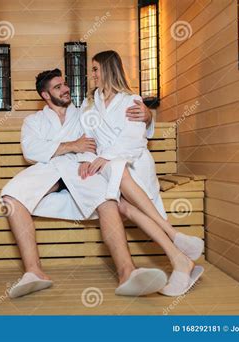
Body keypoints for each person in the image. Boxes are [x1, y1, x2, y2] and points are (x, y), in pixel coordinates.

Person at [1, 69, 167, 298]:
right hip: (48, 169)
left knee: (107, 199)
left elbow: (115, 125)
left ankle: (127, 272)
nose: (65, 88)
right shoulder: (33, 121)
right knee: (11, 196)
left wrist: (147, 117)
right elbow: (31, 150)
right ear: (45, 95)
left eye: (65, 84)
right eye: (58, 87)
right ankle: (34, 272)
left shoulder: (85, 113)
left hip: (81, 167)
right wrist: (72, 145)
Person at [77, 50, 204, 296]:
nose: (91, 74)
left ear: (108, 69)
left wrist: (107, 157)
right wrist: (87, 158)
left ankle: (179, 257)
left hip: (133, 161)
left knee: (120, 177)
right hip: (109, 166)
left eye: (95, 69)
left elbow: (134, 137)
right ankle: (177, 249)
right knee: (124, 207)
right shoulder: (90, 103)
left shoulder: (130, 99)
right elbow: (88, 139)